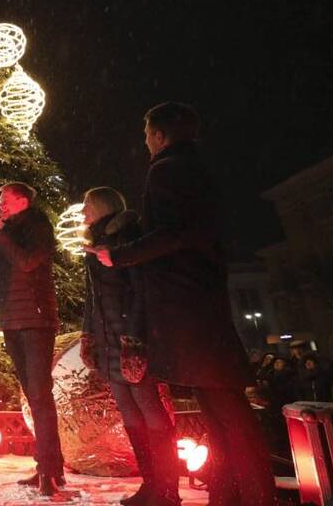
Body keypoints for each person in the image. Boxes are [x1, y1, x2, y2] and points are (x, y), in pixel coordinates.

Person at [89, 102, 276, 505]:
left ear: (159, 135)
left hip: (187, 306)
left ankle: (253, 494)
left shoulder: (167, 171)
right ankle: (231, 492)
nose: (144, 144)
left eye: (146, 136)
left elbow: (173, 234)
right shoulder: (193, 169)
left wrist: (120, 255)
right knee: (218, 404)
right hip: (196, 300)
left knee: (224, 406)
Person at [76, 186, 182, 505]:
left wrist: (133, 339)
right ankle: (151, 485)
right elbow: (92, 300)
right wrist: (89, 335)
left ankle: (168, 489)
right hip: (109, 342)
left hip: (130, 342)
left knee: (149, 409)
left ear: (104, 207)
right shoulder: (95, 247)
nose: (82, 213)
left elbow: (140, 290)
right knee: (130, 413)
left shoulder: (127, 239)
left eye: (87, 206)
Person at [0, 183, 64, 494]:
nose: (2, 205)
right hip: (13, 320)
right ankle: (50, 465)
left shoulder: (38, 226)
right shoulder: (5, 233)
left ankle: (49, 470)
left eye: (6, 200)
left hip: (37, 320)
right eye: (1, 201)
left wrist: (1, 233)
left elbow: (27, 261)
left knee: (40, 394)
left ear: (23, 201)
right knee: (32, 394)